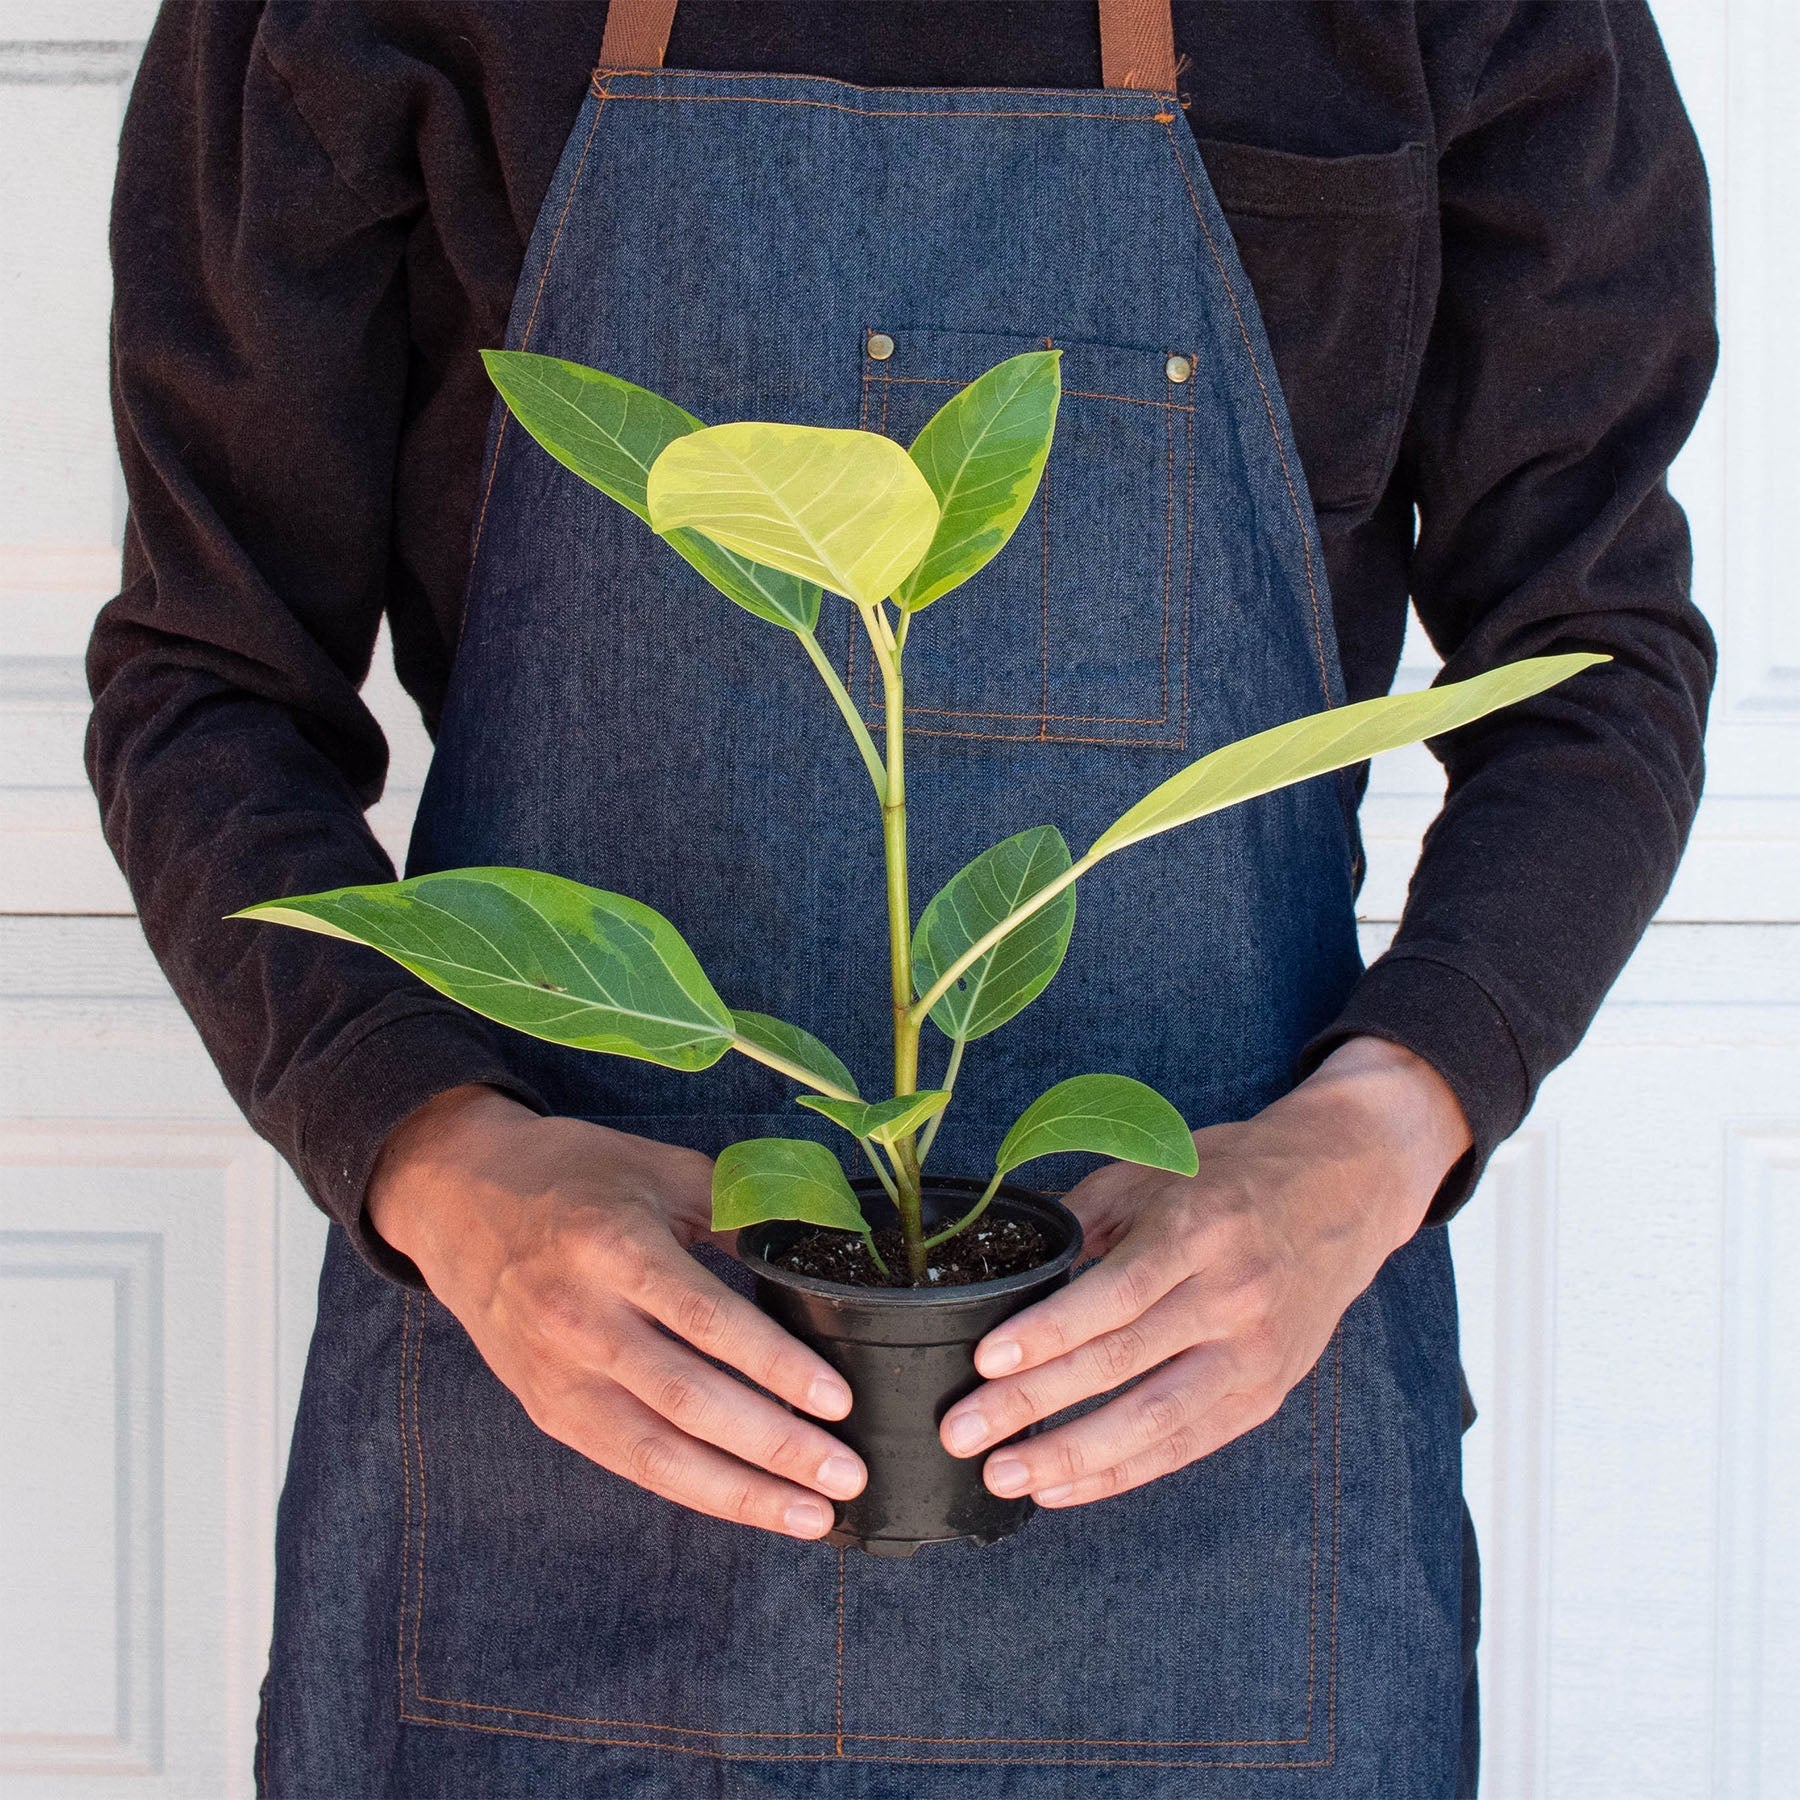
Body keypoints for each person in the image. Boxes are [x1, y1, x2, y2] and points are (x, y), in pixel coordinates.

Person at [91, 2, 1715, 1795]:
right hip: (543, 1481)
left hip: (1234, 1506)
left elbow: (1594, 664)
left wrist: (1386, 1132)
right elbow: (207, 679)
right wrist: (434, 1160)